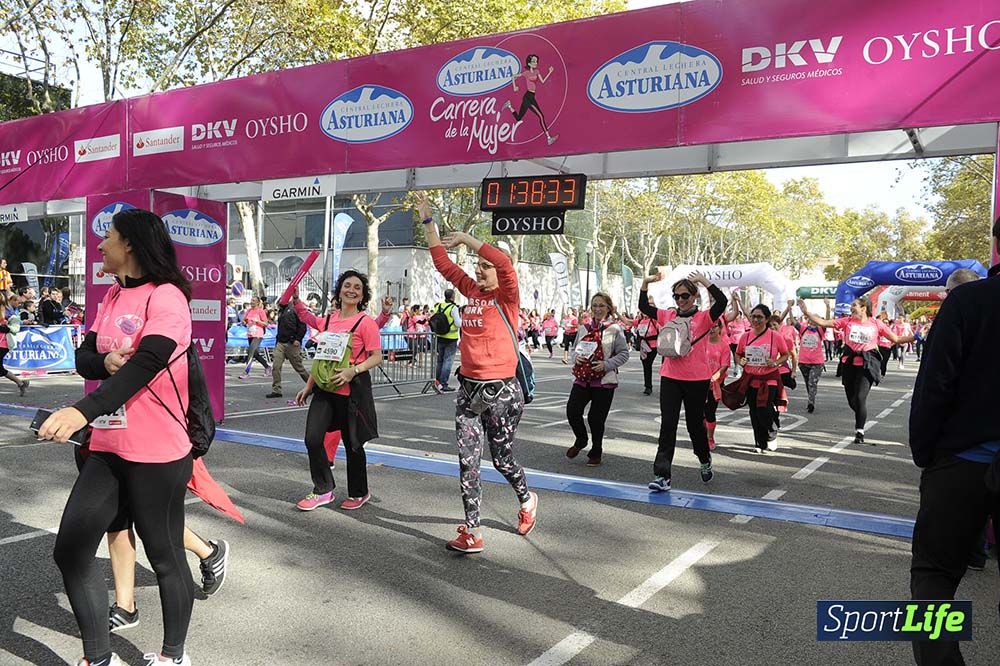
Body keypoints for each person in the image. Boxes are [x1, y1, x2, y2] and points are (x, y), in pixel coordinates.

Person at [37, 208, 197, 666]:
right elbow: (85, 357)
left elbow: (149, 364)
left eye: (107, 237)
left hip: (157, 449)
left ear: (130, 245)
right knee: (71, 548)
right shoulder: (109, 295)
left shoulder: (167, 297)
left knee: (164, 556)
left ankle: (173, 655)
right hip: (106, 446)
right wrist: (103, 364)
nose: (100, 245)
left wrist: (81, 410)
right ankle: (99, 656)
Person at [421, 193, 538, 553]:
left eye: (483, 265)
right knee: (468, 460)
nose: (478, 269)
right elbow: (442, 263)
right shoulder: (470, 291)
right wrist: (429, 224)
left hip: (503, 391)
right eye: (477, 264)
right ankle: (472, 531)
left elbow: (503, 261)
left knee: (501, 458)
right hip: (469, 390)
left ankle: (527, 499)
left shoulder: (508, 295)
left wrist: (470, 240)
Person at [907, 224, 999, 666]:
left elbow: (934, 385)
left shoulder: (968, 300)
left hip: (963, 461)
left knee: (933, 576)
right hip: (967, 459)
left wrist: (926, 453)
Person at [292, 272, 387, 511]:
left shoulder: (365, 323)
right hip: (325, 390)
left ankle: (359, 492)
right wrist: (308, 386)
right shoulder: (327, 321)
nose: (351, 290)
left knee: (353, 445)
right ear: (340, 290)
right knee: (312, 439)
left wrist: (352, 371)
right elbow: (323, 358)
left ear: (363, 295)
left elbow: (377, 357)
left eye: (357, 287)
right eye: (347, 285)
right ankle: (323, 489)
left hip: (352, 394)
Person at [638, 271, 727, 491]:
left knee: (695, 426)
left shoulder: (705, 318)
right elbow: (644, 307)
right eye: (676, 296)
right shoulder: (668, 316)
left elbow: (722, 302)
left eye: (684, 295)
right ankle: (662, 475)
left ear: (694, 296)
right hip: (670, 377)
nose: (680, 300)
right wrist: (645, 284)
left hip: (697, 379)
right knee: (668, 424)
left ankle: (704, 459)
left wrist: (705, 282)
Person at [798, 297, 913, 445]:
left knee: (860, 398)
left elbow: (896, 339)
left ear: (864, 308)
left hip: (867, 365)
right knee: (853, 401)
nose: (851, 308)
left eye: (854, 306)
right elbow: (824, 323)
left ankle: (859, 431)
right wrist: (806, 311)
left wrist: (914, 337)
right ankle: (860, 413)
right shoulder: (847, 321)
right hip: (850, 364)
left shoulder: (876, 323)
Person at [565, 292, 629, 466]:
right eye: (594, 305)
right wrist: (575, 358)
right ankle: (581, 439)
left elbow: (624, 354)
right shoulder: (584, 328)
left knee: (596, 419)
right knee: (572, 411)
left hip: (604, 381)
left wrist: (606, 364)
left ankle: (596, 451)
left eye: (601, 305)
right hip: (583, 378)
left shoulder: (615, 329)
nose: (597, 309)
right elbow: (575, 350)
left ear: (608, 308)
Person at [734, 305, 791, 453]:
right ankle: (759, 443)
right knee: (754, 411)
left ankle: (772, 433)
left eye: (759, 317)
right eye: (753, 316)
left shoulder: (775, 336)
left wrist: (776, 362)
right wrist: (741, 361)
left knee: (764, 408)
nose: (756, 320)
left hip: (769, 378)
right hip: (751, 378)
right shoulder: (745, 336)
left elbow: (785, 354)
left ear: (766, 319)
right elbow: (738, 354)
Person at [502, 54, 558, 145]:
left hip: (531, 96)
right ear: (529, 63)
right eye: (533, 61)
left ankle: (509, 106)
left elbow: (543, 81)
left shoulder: (537, 71)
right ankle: (548, 138)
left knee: (519, 118)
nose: (536, 63)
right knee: (541, 116)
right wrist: (514, 86)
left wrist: (550, 72)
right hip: (528, 97)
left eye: (536, 61)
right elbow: (513, 76)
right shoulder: (526, 73)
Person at [266, 301, 310, 399]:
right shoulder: (282, 309)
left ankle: (313, 386)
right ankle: (276, 389)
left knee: (299, 368)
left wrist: (298, 339)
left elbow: (302, 325)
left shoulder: (295, 308)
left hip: (292, 343)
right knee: (276, 366)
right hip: (281, 342)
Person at [704, 319, 730, 451]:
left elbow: (724, 366)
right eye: (710, 326)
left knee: (710, 412)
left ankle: (710, 437)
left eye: (715, 327)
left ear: (720, 328)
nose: (712, 329)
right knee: (699, 412)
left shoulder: (724, 345)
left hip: (715, 383)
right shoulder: (701, 343)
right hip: (699, 382)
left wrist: (714, 378)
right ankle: (701, 436)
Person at [797, 304, 829, 413]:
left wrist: (828, 306)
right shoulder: (803, 328)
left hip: (817, 362)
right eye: (811, 319)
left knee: (812, 382)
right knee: (808, 383)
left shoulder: (820, 330)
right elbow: (793, 321)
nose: (813, 321)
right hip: (803, 361)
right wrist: (790, 308)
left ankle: (811, 403)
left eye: (815, 319)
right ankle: (810, 399)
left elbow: (827, 321)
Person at [0, 292, 28, 396]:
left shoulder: (10, 315)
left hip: (3, 343)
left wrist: (6, 328)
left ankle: (20, 383)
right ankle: (20, 383)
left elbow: (15, 329)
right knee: (0, 369)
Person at [432, 289, 460, 392]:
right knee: (448, 361)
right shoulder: (453, 308)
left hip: (440, 335)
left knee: (440, 360)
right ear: (452, 296)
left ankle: (437, 381)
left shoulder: (439, 306)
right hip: (451, 337)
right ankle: (444, 383)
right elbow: (458, 323)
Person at [239, 295, 270, 380]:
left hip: (258, 334)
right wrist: (244, 322)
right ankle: (267, 367)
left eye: (253, 300)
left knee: (250, 351)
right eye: (251, 300)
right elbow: (245, 320)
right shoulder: (249, 311)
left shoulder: (261, 311)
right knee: (255, 353)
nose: (251, 302)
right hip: (250, 334)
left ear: (257, 302)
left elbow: (266, 324)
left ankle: (246, 372)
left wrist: (258, 321)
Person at [633, 310, 660, 395]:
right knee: (645, 365)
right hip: (643, 346)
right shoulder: (640, 321)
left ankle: (648, 387)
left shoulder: (654, 320)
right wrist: (616, 313)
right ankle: (647, 386)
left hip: (653, 346)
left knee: (648, 365)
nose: (645, 312)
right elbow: (627, 321)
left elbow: (661, 323)